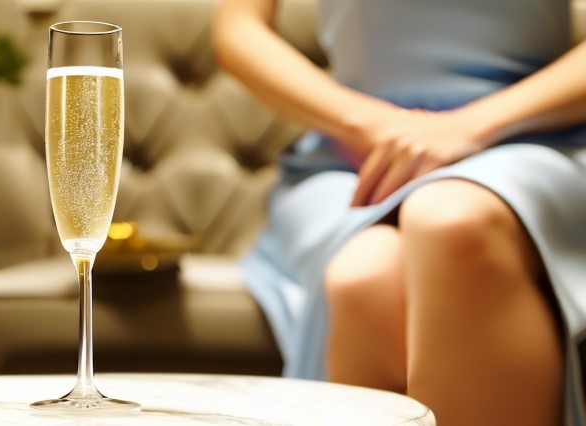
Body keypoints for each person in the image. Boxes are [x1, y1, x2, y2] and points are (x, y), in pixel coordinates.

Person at [212, 0, 586, 425]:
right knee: (366, 275)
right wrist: (369, 125)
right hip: (355, 156)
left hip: (528, 135)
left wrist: (468, 126)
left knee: (453, 220)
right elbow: (239, 31)